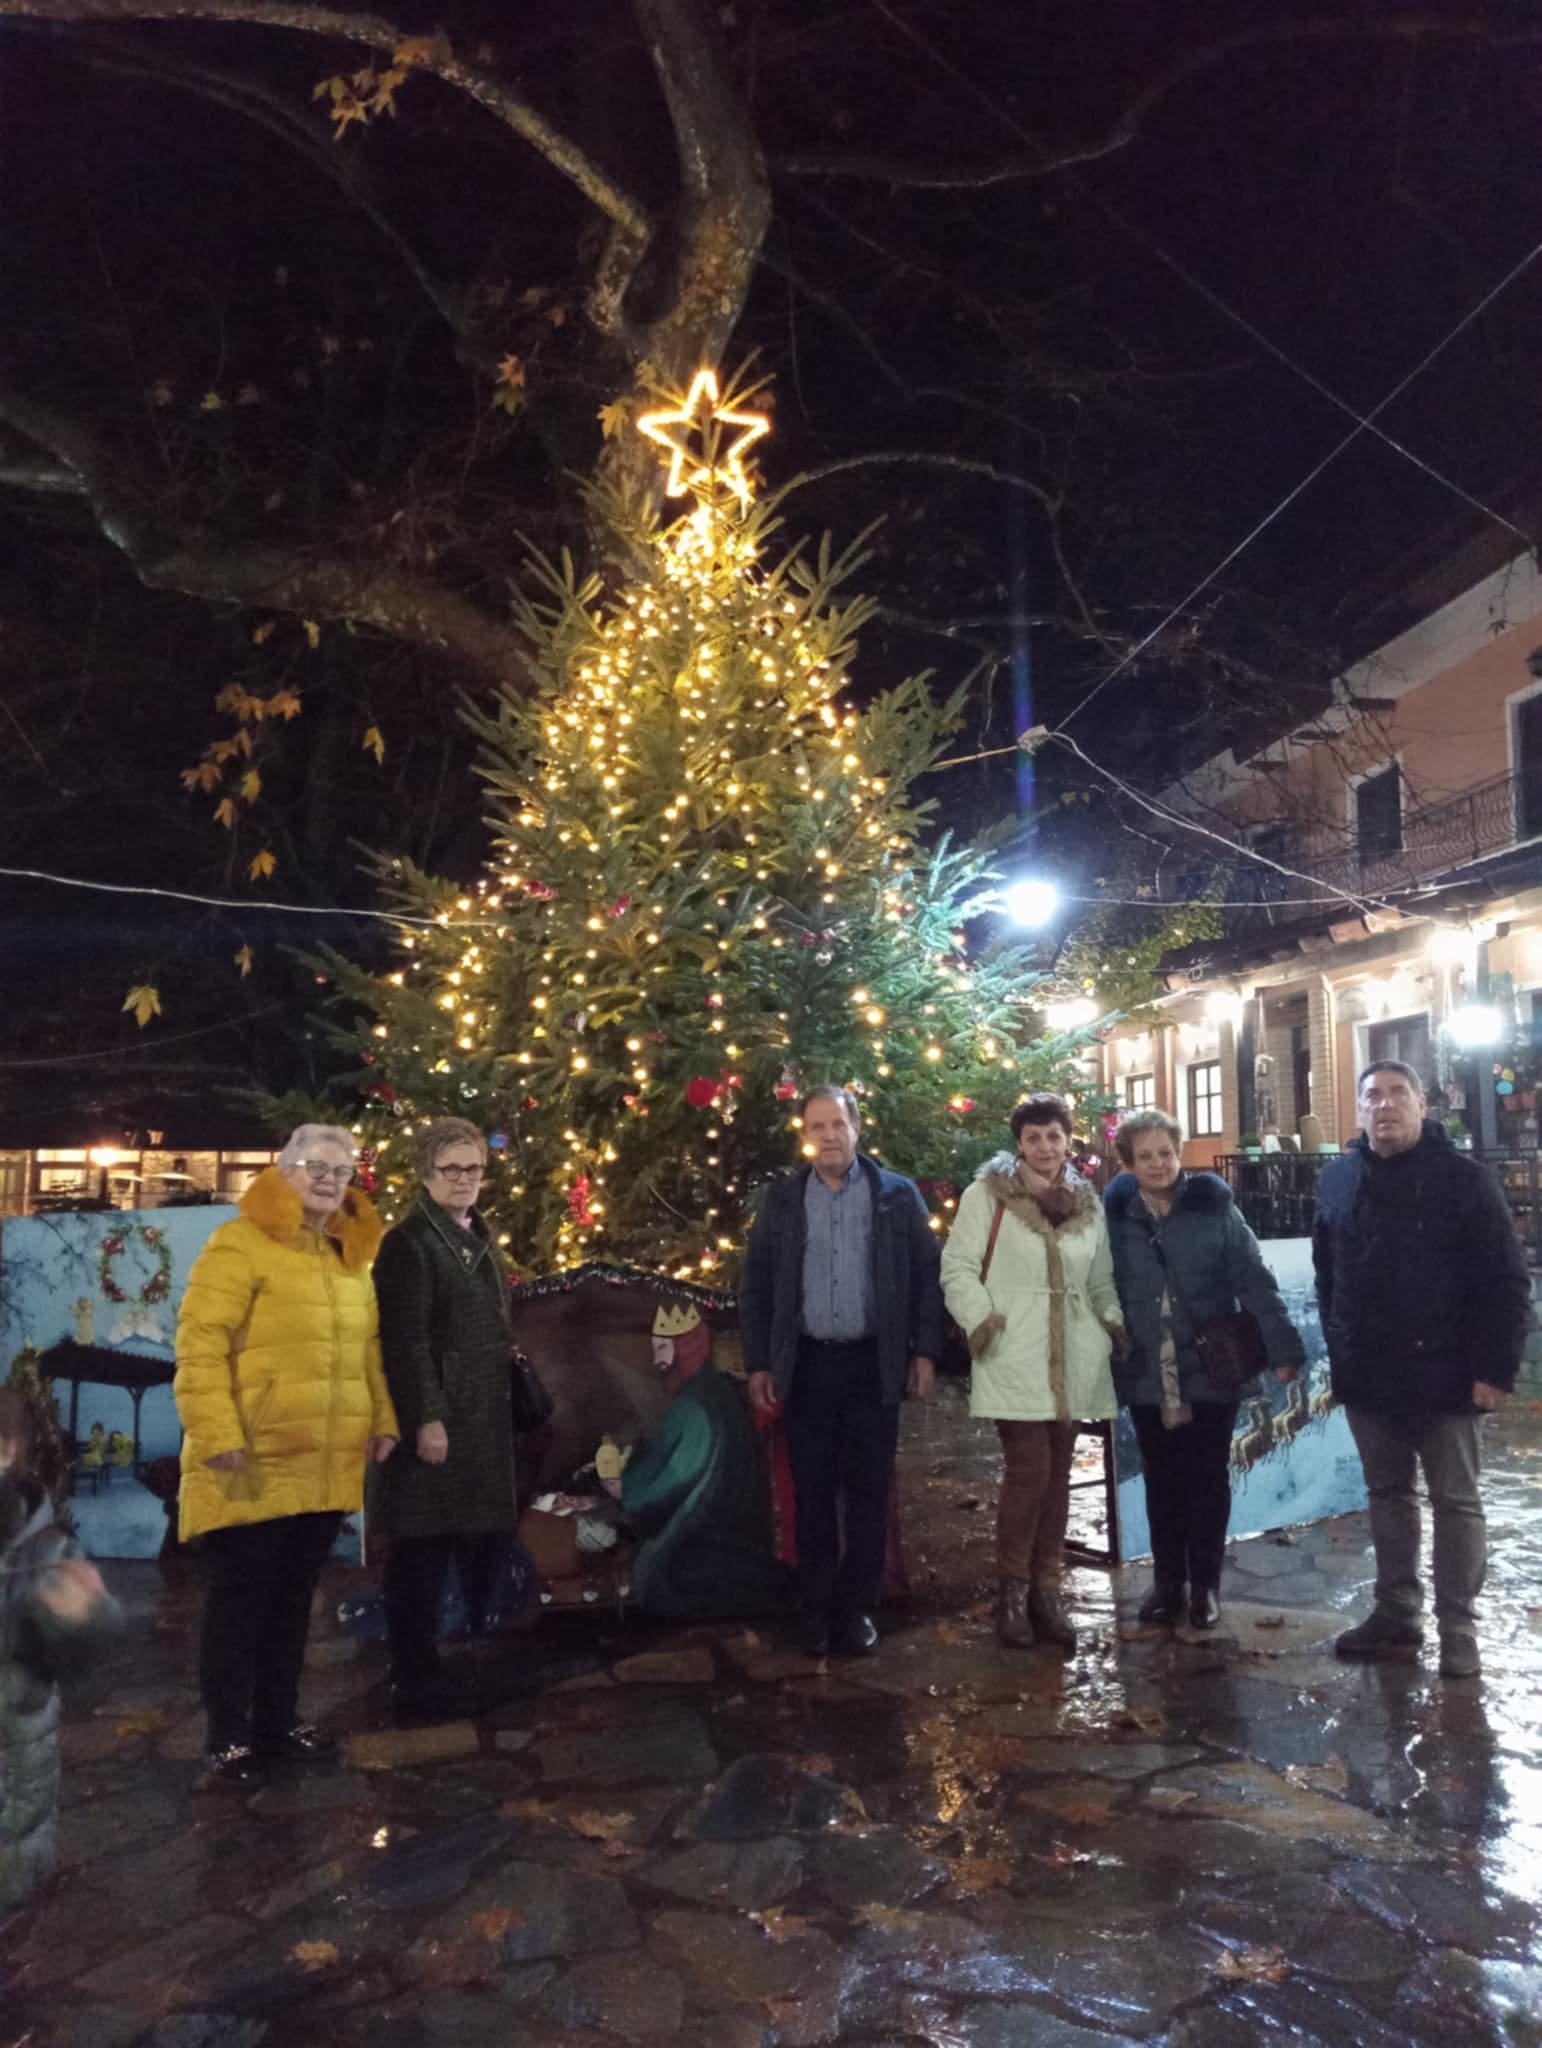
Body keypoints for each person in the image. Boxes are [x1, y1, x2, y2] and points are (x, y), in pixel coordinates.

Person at [175, 1123, 398, 1784]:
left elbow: (367, 1353)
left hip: (324, 1460)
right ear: (285, 1170)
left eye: (341, 1170)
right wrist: (217, 1434)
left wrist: (382, 1418)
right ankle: (227, 1735)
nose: (330, 1179)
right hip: (253, 1458)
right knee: (241, 1602)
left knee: (294, 1600)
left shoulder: (350, 1257)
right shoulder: (238, 1245)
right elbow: (199, 1345)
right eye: (315, 1166)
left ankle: (276, 1721)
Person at [1313, 1059, 1531, 1680]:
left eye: (1398, 1094)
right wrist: (1341, 1349)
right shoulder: (1337, 1179)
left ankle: (1458, 1628)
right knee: (1387, 1495)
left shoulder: (1464, 1180)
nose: (1384, 1105)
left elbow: (1505, 1282)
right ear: (1357, 1110)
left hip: (1450, 1372)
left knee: (1455, 1502)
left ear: (1422, 1105)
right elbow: (1329, 1272)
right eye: (1372, 1096)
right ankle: (1396, 1613)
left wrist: (1495, 1369)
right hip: (1371, 1376)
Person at [741, 1085, 943, 1657]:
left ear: (856, 1128)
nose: (828, 1135)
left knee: (867, 1492)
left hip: (871, 1365)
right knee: (810, 1493)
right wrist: (760, 1361)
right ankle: (814, 1607)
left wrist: (924, 1352)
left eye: (838, 1124)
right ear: (804, 1136)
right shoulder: (782, 1202)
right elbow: (756, 1284)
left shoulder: (896, 1198)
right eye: (816, 1127)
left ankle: (855, 1608)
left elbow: (928, 1277)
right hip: (805, 1366)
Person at [1104, 1109, 1304, 1631]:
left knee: (1208, 1478)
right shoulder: (1116, 1216)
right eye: (1144, 1156)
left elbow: (1254, 1278)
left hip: (1212, 1367)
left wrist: (1283, 1348)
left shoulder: (1214, 1208)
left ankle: (1206, 1587)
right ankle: (1168, 1582)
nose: (1158, 1163)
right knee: (1161, 1477)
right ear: (1127, 1162)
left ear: (1179, 1153)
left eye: (1166, 1153)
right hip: (1146, 1367)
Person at [940, 1094, 1124, 1652]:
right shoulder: (986, 1196)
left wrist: (1112, 1321)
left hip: (1074, 1356)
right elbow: (958, 1267)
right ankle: (1013, 1594)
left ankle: (1048, 1590)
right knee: (1029, 1471)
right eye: (1034, 1137)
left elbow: (1100, 1278)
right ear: (1018, 1143)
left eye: (1054, 1136)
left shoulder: (1088, 1203)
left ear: (1069, 1140)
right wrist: (982, 1321)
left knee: (1060, 1476)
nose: (1045, 1147)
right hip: (1013, 1351)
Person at [372, 1118, 519, 1722]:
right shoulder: (408, 1244)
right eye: (451, 1169)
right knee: (422, 1553)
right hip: (441, 1424)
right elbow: (404, 1342)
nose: (464, 1180)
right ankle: (414, 1675)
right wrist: (427, 1419)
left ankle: (455, 1665)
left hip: (480, 1417)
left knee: (470, 1542)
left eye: (474, 1168)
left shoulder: (473, 1234)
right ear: (427, 1174)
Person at [0, 1387, 122, 1909]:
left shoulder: (43, 1546)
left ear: (6, 1450)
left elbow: (84, 1656)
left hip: (13, 1782)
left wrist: (83, 1614)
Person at [622, 1302, 786, 1621]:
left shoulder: (694, 1406)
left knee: (660, 1576)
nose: (658, 1361)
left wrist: (624, 1489)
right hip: (739, 1541)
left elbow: (669, 1483)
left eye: (663, 1347)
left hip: (710, 1547)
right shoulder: (719, 1391)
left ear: (690, 1343)